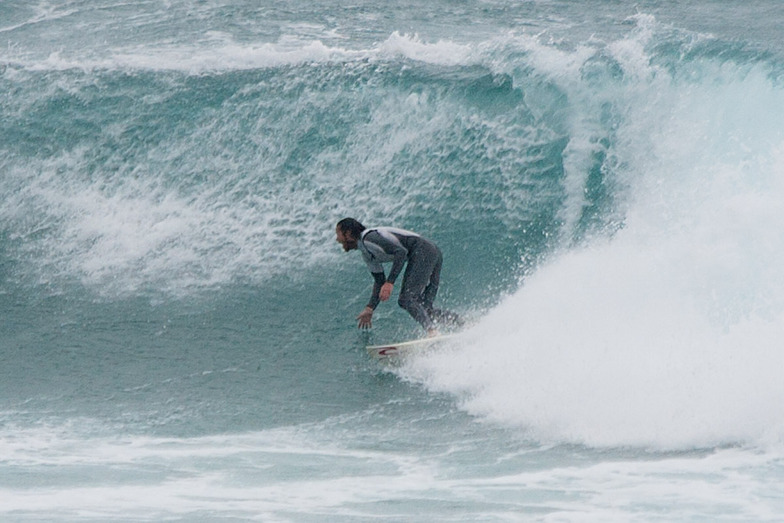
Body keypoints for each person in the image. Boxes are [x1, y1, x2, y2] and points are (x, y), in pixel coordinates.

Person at [335, 217, 461, 336]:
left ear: (348, 234)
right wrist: (370, 308)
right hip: (432, 251)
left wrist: (390, 282)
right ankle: (462, 324)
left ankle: (432, 331)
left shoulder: (369, 238)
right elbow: (379, 282)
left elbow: (400, 252)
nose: (337, 239)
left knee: (406, 299)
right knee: (423, 308)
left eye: (338, 234)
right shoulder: (367, 254)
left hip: (423, 250)